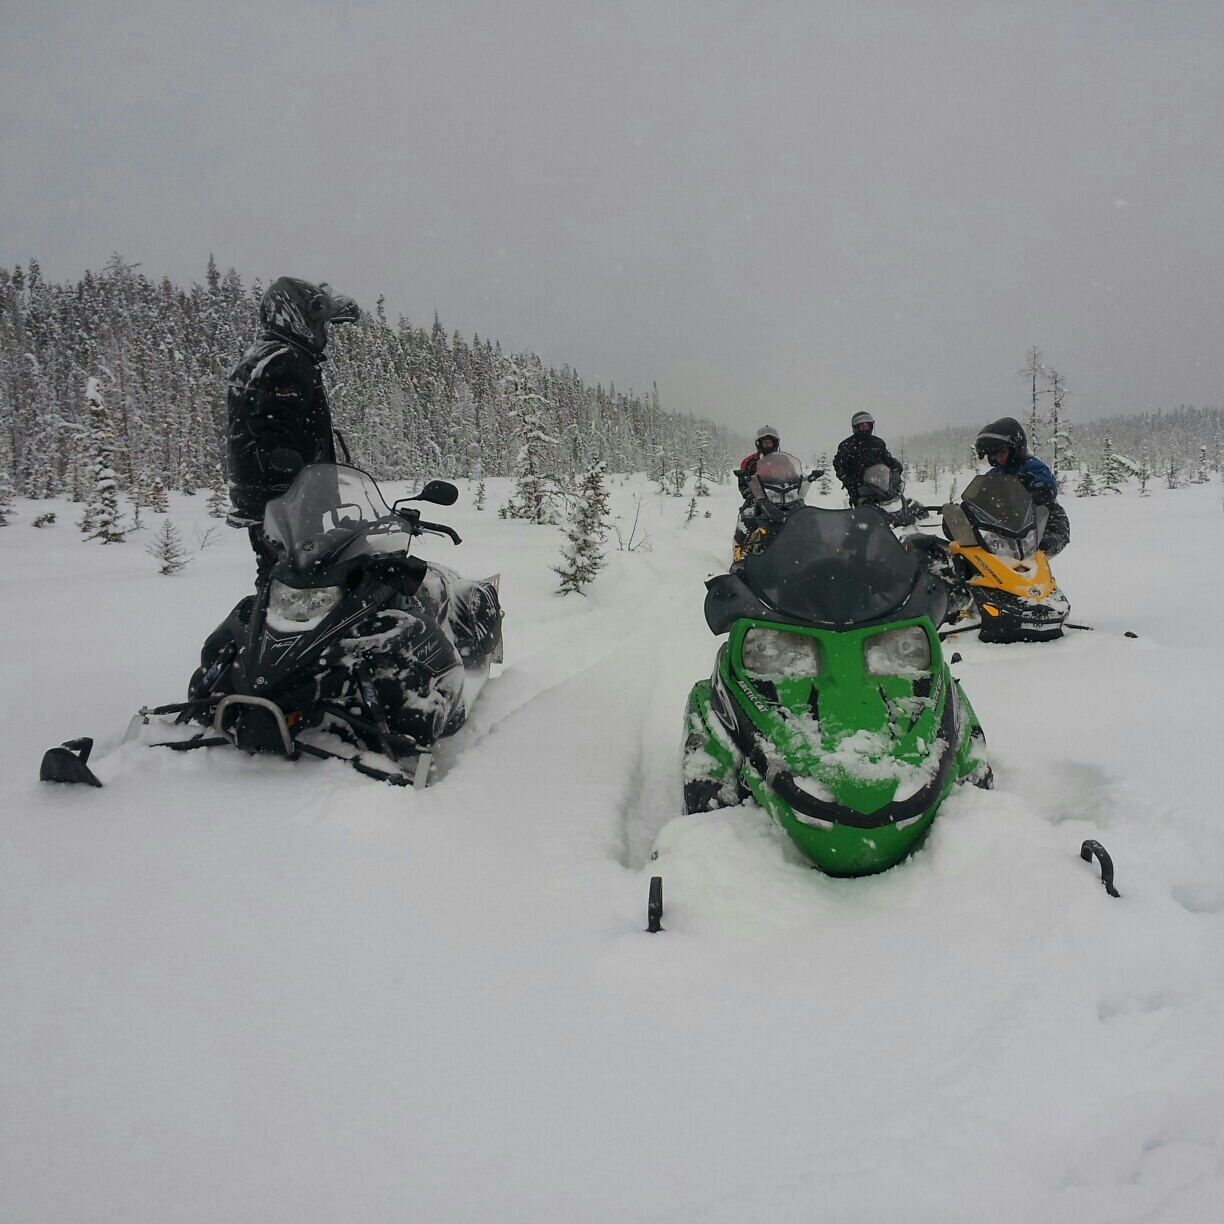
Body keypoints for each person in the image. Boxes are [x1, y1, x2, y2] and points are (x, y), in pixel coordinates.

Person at [226, 276, 360, 583]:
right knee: (302, 585)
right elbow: (273, 429)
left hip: (272, 501)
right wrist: (294, 481)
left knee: (282, 582)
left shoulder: (262, 357)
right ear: (295, 316)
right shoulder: (285, 362)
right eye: (319, 324)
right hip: (288, 502)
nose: (322, 333)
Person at [974, 417, 1070, 556]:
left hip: (1048, 523)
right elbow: (980, 492)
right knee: (987, 552)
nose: (999, 458)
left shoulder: (1032, 467)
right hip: (1012, 527)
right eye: (994, 454)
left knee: (1031, 558)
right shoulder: (996, 473)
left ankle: (1038, 577)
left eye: (1003, 452)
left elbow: (1047, 487)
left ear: (1015, 448)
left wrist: (1035, 493)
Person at [833, 411, 903, 505]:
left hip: (879, 483)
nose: (865, 427)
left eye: (867, 425)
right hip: (858, 485)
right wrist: (846, 479)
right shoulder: (847, 445)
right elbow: (838, 464)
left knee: (895, 499)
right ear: (856, 427)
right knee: (861, 506)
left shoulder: (877, 442)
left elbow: (886, 457)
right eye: (862, 425)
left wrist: (895, 465)